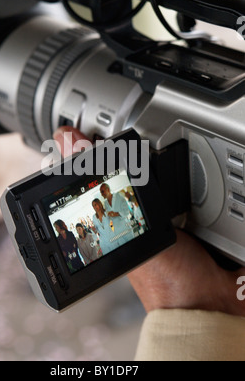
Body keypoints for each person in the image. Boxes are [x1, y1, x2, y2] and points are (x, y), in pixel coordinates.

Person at [54, 126, 245, 361]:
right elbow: (101, 238)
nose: (99, 203)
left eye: (101, 197)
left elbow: (129, 216)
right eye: (97, 201)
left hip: (128, 236)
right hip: (117, 245)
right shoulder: (94, 219)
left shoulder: (120, 202)